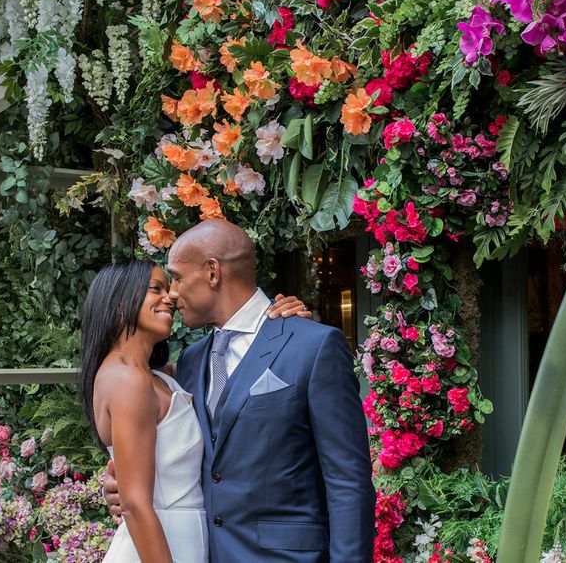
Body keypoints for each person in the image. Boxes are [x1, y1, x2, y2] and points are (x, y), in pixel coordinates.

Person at [103, 219, 376, 562]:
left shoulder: (313, 346)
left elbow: (348, 481)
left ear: (213, 273)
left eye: (177, 277)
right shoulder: (190, 362)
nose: (172, 293)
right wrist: (122, 485)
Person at [79, 259, 310, 563]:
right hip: (160, 547)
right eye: (155, 288)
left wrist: (277, 317)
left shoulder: (161, 376)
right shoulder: (127, 379)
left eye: (170, 286)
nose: (170, 297)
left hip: (189, 541)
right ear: (120, 303)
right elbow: (135, 504)